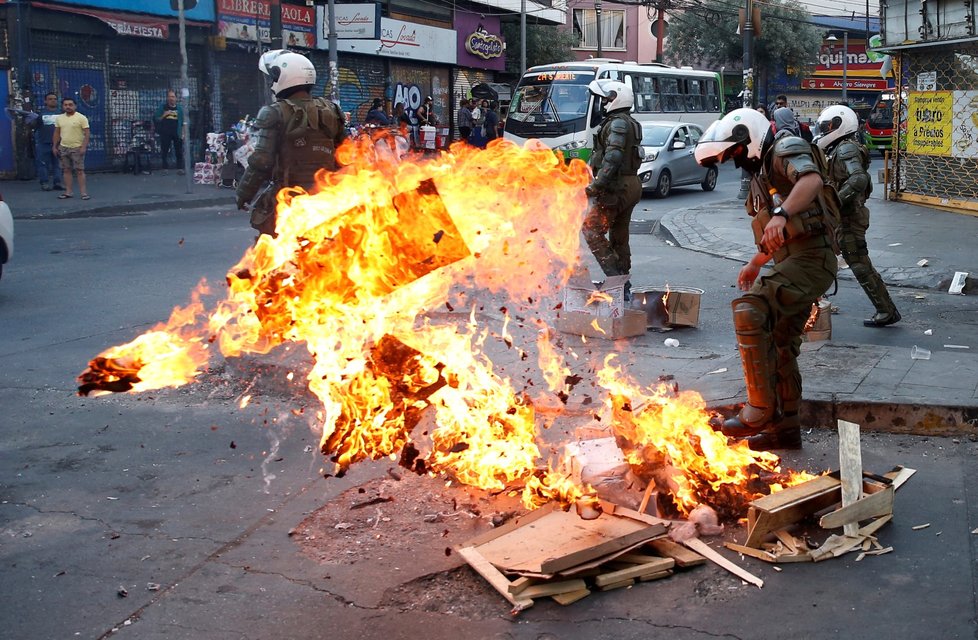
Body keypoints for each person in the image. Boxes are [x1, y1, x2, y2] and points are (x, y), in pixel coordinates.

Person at [694, 108, 839, 450]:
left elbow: (811, 180)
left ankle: (759, 409)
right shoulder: (763, 172)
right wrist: (755, 262)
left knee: (751, 308)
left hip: (811, 259)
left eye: (736, 152)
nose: (735, 161)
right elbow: (775, 234)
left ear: (750, 137)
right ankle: (785, 430)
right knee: (781, 345)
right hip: (796, 260)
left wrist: (782, 212)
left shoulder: (786, 146)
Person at [235, 50, 347, 237]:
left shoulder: (275, 112)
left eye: (274, 78)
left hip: (289, 199)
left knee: (274, 250)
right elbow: (346, 155)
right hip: (327, 198)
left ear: (285, 77)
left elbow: (261, 161)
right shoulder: (331, 110)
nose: (272, 84)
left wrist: (244, 193)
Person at [815, 104, 900, 327]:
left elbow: (858, 179)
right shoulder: (843, 147)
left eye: (829, 126)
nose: (825, 130)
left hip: (849, 216)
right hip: (845, 215)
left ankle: (886, 310)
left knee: (859, 263)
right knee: (848, 260)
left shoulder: (845, 149)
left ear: (840, 125)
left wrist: (833, 202)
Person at [582, 80, 642, 297]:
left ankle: (617, 281)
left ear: (616, 98)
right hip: (631, 186)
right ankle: (622, 284)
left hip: (616, 188)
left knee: (591, 230)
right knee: (619, 237)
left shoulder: (617, 124)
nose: (604, 102)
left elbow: (613, 156)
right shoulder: (629, 122)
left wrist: (596, 186)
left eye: (607, 98)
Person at [52, 97, 91, 200]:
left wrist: (83, 147)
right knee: (66, 170)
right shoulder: (59, 118)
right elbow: (56, 133)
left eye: (70, 104)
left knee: (79, 170)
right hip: (63, 148)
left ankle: (83, 193)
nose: (68, 107)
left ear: (75, 106)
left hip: (77, 148)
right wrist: (54, 146)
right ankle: (68, 192)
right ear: (63, 106)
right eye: (65, 105)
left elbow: (87, 134)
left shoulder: (81, 118)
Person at [33, 92, 64, 192]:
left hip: (58, 144)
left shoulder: (62, 114)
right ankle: (44, 183)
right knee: (42, 164)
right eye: (50, 99)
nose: (53, 100)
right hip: (43, 143)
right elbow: (35, 126)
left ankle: (57, 183)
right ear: (45, 101)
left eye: (55, 99)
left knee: (57, 164)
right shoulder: (40, 114)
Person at [154, 89, 186, 175]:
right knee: (164, 150)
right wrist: (163, 115)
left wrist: (183, 133)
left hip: (177, 132)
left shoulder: (179, 108)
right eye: (169, 96)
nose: (171, 98)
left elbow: (183, 122)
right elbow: (156, 118)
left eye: (172, 96)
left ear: (176, 98)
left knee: (179, 150)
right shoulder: (163, 107)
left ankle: (180, 168)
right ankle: (164, 168)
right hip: (165, 132)